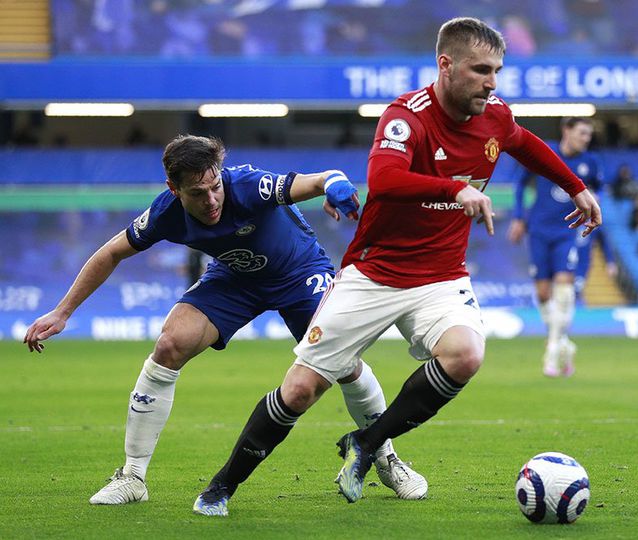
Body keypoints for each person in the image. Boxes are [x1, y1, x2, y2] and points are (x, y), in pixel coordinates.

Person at [193, 17, 601, 516]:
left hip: (442, 276)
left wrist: (577, 186)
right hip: (374, 273)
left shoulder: (495, 114)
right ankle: (220, 487)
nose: (492, 83)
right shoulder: (406, 116)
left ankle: (366, 444)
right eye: (480, 70)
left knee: (465, 355)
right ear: (445, 65)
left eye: (497, 70)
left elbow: (524, 142)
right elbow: (384, 180)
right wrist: (456, 187)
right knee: (300, 389)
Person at [23, 134, 426, 506]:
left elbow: (320, 179)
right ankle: (132, 477)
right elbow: (111, 252)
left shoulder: (249, 185)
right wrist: (62, 312)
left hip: (299, 273)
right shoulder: (165, 213)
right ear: (173, 190)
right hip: (234, 278)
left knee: (343, 363)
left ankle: (386, 458)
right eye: (198, 193)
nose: (212, 199)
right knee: (169, 344)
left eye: (215, 187)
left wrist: (336, 186)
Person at [507, 116, 602, 377]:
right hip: (538, 230)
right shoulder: (545, 153)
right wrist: (518, 217)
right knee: (543, 295)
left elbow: (598, 192)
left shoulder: (590, 162)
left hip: (567, 232)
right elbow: (520, 184)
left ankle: (550, 354)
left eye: (589, 135)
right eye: (582, 133)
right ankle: (564, 345)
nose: (586, 139)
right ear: (566, 131)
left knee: (565, 292)